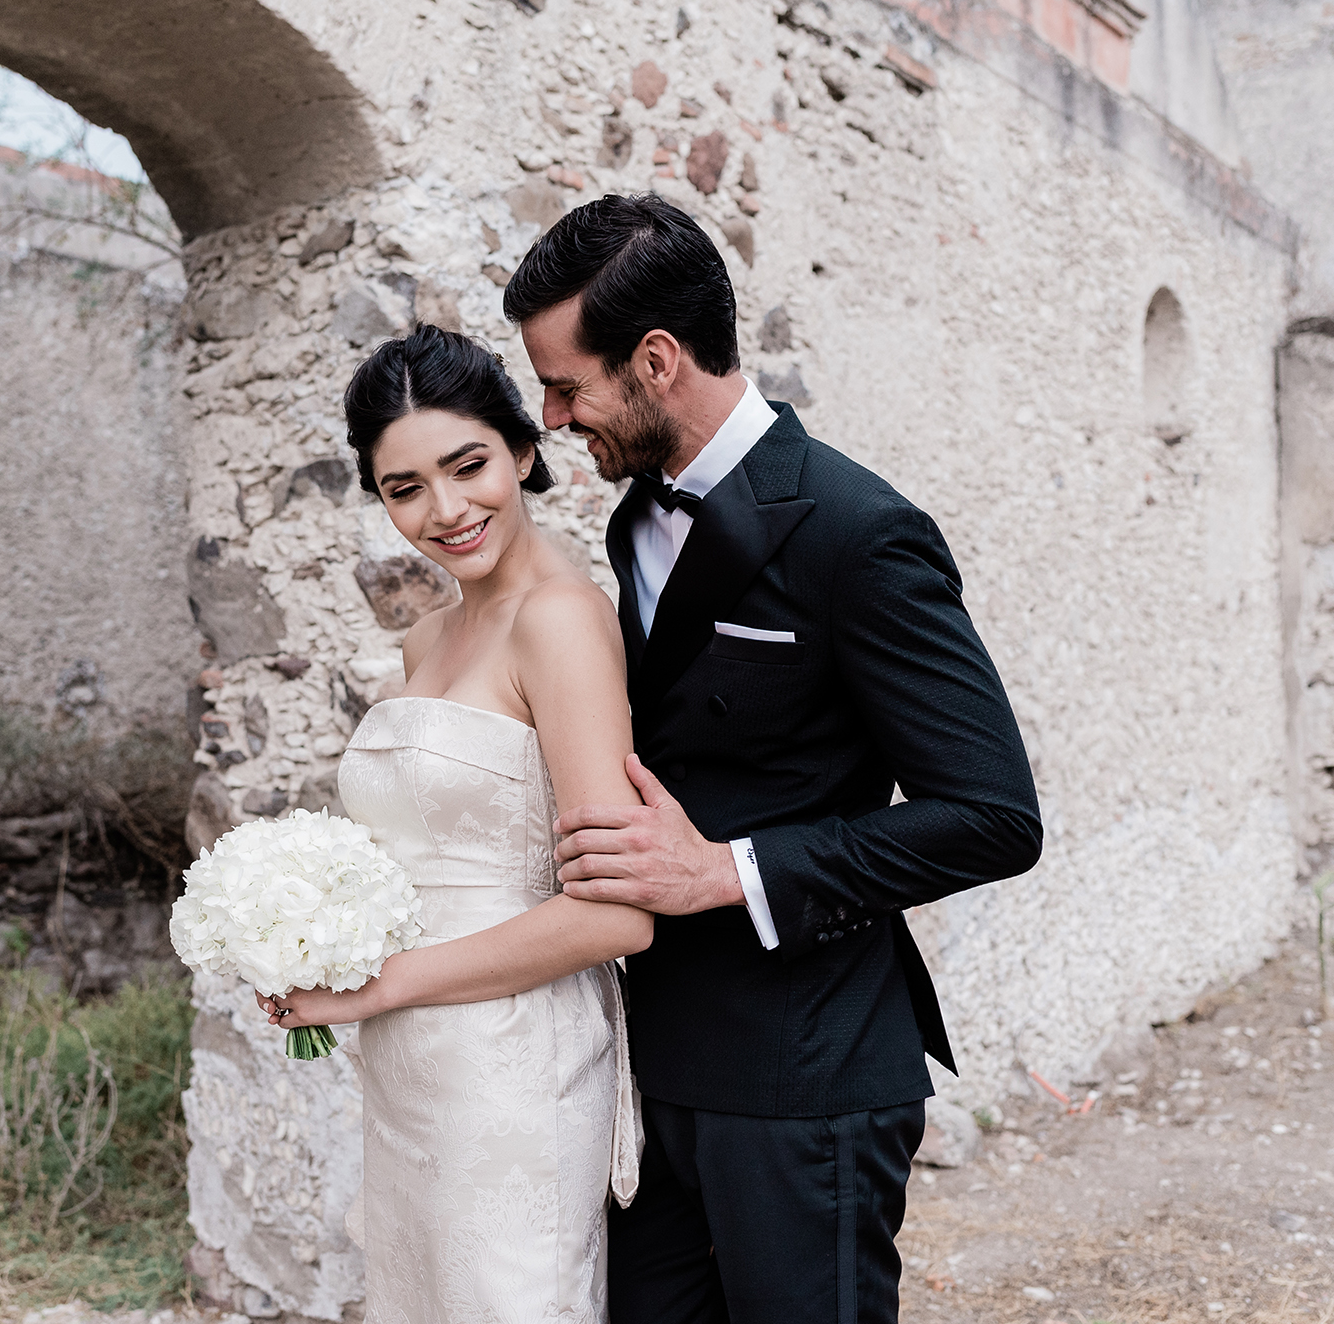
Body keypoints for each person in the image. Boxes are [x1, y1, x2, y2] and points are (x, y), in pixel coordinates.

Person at [503, 192, 1044, 1323]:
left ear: (655, 360)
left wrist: (724, 871)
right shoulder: (629, 515)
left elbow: (992, 812)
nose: (551, 417)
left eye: (566, 384)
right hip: (653, 1074)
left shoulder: (859, 531)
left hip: (808, 1077)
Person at [257, 324, 650, 1324]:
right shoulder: (427, 632)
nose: (444, 510)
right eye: (403, 487)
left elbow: (613, 917)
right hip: (409, 1062)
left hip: (514, 1064)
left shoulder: (558, 619)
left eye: (467, 464)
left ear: (521, 449)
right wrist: (303, 933)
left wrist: (378, 984)